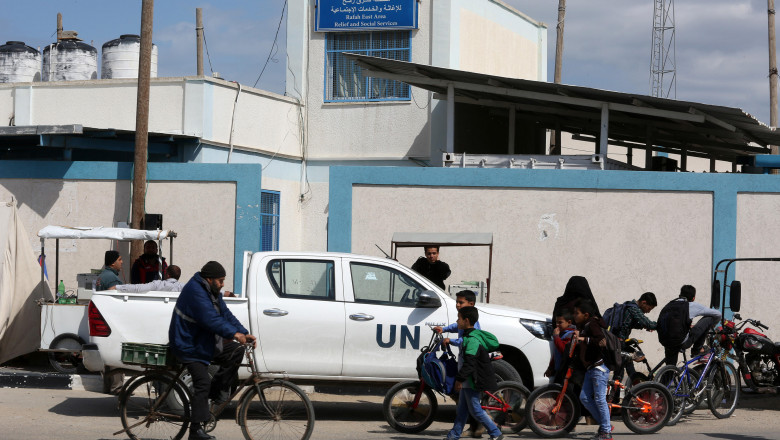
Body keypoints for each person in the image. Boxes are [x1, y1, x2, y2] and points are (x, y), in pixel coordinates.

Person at [169, 261, 256, 440]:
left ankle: (213, 397)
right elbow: (210, 319)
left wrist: (244, 333)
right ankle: (195, 431)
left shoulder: (212, 292)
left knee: (237, 350)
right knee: (202, 383)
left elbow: (225, 314)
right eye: (221, 280)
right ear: (209, 279)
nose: (223, 284)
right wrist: (234, 333)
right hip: (188, 344)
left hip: (203, 342)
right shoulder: (195, 291)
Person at [445, 306, 504, 440]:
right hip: (469, 380)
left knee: (475, 410)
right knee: (462, 410)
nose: (457, 321)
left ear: (466, 321)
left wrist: (459, 379)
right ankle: (453, 436)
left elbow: (470, 363)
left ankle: (495, 433)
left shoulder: (472, 340)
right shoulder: (468, 337)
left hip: (472, 380)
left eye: (458, 318)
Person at [434, 290, 482, 438]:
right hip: (463, 363)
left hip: (469, 365)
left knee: (471, 405)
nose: (457, 305)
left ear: (471, 304)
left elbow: (465, 340)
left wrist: (451, 341)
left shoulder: (475, 325)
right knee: (464, 404)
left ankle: (493, 430)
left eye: (461, 302)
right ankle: (455, 434)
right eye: (457, 302)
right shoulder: (463, 320)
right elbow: (456, 326)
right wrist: (444, 329)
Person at [573, 299, 612, 440]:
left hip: (598, 369)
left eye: (577, 313)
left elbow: (601, 341)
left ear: (586, 314)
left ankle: (606, 432)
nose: (574, 316)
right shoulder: (583, 326)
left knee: (600, 400)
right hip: (591, 369)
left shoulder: (592, 324)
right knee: (584, 398)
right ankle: (605, 424)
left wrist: (583, 339)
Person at [662, 285, 721, 366]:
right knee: (709, 318)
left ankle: (667, 376)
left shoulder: (669, 305)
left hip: (665, 341)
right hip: (681, 342)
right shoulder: (691, 305)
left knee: (670, 368)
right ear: (693, 298)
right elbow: (718, 314)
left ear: (680, 295)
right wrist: (711, 326)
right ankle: (698, 349)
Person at [613, 292, 658, 376]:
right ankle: (617, 388)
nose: (648, 311)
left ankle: (636, 386)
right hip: (618, 343)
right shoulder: (633, 309)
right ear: (643, 302)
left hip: (620, 342)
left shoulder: (628, 306)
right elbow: (648, 323)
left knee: (630, 368)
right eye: (649, 308)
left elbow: (628, 323)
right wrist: (660, 325)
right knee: (619, 373)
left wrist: (643, 326)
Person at [544, 310, 576, 382]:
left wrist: (556, 337)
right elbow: (556, 353)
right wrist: (550, 367)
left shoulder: (571, 334)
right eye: (556, 322)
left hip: (566, 371)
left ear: (569, 322)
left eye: (560, 322)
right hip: (559, 370)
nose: (557, 325)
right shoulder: (562, 334)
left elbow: (563, 350)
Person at [115, 265, 184, 293]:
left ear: (168, 275)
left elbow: (138, 288)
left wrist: (117, 287)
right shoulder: (183, 287)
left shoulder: (158, 284)